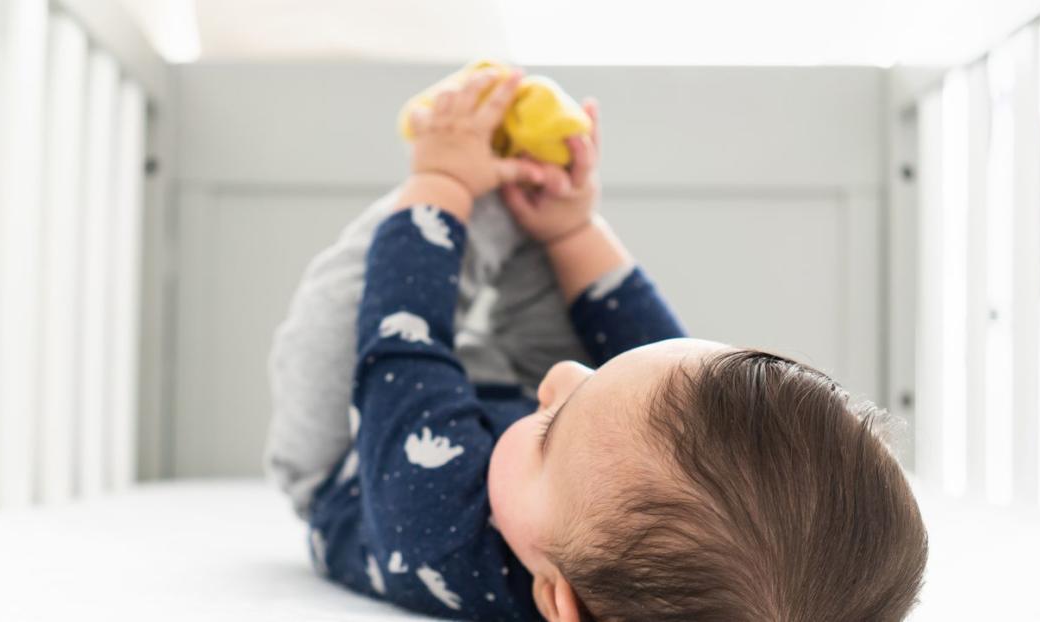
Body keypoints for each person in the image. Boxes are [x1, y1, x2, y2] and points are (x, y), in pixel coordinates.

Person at [281, 68, 928, 621]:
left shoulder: (440, 531)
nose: (562, 376)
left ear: (556, 599)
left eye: (551, 427)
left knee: (345, 297)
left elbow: (400, 349)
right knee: (645, 376)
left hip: (361, 461)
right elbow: (654, 356)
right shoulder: (594, 542)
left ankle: (468, 191)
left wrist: (440, 182)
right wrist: (573, 229)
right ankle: (542, 213)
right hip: (517, 449)